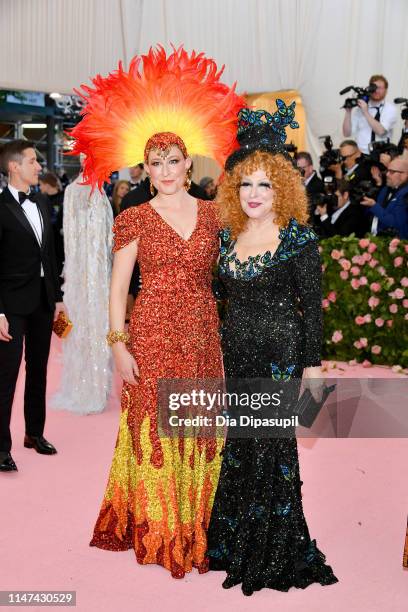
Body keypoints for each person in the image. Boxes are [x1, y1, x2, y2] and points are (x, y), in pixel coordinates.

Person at [70, 45, 245, 577]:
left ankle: (198, 523)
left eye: (173, 160)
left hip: (201, 331)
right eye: (156, 163)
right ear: (145, 169)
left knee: (200, 424)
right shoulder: (134, 216)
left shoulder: (217, 214)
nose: (166, 170)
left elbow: (241, 267)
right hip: (150, 332)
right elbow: (118, 287)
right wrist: (117, 346)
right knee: (156, 430)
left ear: (189, 163)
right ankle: (162, 529)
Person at [206, 107, 338, 595]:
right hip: (237, 356)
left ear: (282, 187)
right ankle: (237, 541)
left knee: (271, 448)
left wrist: (314, 373)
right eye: (246, 185)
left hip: (280, 355)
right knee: (242, 446)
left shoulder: (299, 239)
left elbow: (311, 311)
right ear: (234, 189)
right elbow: (220, 300)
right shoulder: (228, 235)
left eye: (264, 184)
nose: (254, 194)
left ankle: (271, 549)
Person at [0, 140, 66, 472]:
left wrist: (57, 298)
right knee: (6, 376)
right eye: (32, 161)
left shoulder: (40, 201)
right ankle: (1, 447)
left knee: (39, 370)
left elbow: (50, 255)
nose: (39, 166)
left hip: (42, 299)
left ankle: (34, 434)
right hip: (10, 304)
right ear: (14, 167)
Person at [50, 155, 114, 415]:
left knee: (98, 328)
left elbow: (107, 238)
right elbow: (72, 237)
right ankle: (84, 388)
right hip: (83, 274)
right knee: (82, 328)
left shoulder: (97, 191)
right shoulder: (76, 191)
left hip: (96, 274)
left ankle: (96, 388)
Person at [343, 74, 397, 154]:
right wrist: (348, 112)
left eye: (380, 88)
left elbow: (381, 131)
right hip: (361, 154)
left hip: (381, 154)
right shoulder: (360, 108)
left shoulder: (390, 109)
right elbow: (347, 133)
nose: (376, 91)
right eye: (374, 87)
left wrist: (366, 112)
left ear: (386, 90)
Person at [361, 156, 408, 238]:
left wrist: (374, 206)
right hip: (374, 237)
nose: (387, 174)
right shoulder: (385, 189)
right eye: (387, 171)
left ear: (405, 174)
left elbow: (396, 223)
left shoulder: (406, 194)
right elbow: (371, 214)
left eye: (392, 172)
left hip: (396, 243)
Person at [39, 172, 65, 281]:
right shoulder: (40, 200)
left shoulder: (64, 199)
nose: (39, 187)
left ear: (47, 184)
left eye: (41, 184)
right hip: (47, 246)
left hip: (61, 245)